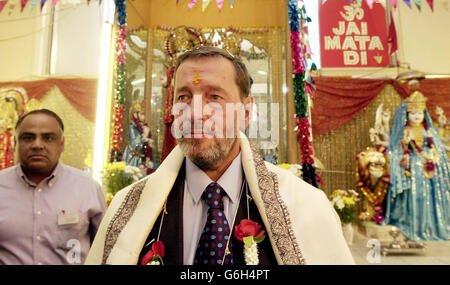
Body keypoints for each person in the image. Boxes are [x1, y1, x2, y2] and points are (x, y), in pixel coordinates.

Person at [86, 46, 354, 265]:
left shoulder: (305, 207)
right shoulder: (127, 207)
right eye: (183, 97)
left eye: (214, 96)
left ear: (246, 114)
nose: (195, 112)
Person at [0, 109, 106, 264]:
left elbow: (106, 248)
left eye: (48, 138)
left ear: (62, 144)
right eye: (28, 138)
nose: (37, 145)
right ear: (15, 143)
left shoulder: (87, 188)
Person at [384, 91, 450, 241]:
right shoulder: (406, 131)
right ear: (407, 116)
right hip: (414, 167)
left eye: (419, 113)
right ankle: (413, 223)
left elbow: (437, 142)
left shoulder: (428, 130)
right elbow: (397, 147)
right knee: (416, 195)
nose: (417, 116)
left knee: (433, 196)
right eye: (413, 113)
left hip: (431, 166)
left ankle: (432, 224)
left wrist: (440, 122)